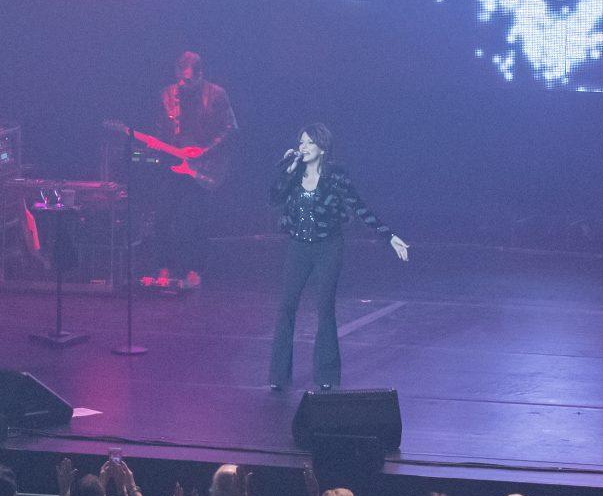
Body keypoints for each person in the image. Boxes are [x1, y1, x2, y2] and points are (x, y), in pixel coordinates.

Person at [268, 124, 410, 392]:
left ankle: (327, 375)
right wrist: (286, 173)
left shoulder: (336, 177)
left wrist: (388, 236)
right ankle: (278, 375)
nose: (304, 148)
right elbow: (274, 198)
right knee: (286, 306)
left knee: (324, 308)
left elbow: (359, 207)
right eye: (301, 143)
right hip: (298, 247)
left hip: (327, 248)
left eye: (309, 143)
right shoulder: (293, 174)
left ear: (322, 148)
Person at [147, 51, 239, 291]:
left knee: (195, 220)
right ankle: (164, 267)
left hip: (203, 166)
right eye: (179, 78)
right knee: (163, 217)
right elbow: (159, 128)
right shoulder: (167, 95)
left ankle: (195, 269)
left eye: (188, 80)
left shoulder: (216, 95)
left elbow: (230, 129)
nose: (182, 84)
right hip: (174, 163)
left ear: (200, 75)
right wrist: (162, 145)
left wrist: (203, 151)